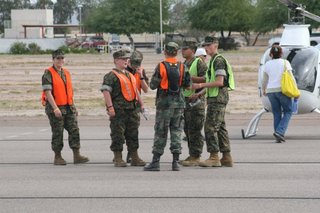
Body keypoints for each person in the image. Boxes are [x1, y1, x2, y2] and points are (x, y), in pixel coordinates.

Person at [144, 42, 191, 171]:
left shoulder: (161, 66)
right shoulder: (183, 66)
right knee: (176, 132)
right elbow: (188, 85)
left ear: (165, 51)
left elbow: (153, 85)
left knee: (160, 132)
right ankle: (175, 162)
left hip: (164, 105)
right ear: (176, 52)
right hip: (179, 104)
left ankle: (156, 161)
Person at [192, 36, 235, 167]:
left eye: (209, 45)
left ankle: (214, 156)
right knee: (220, 128)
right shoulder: (213, 61)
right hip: (216, 97)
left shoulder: (218, 61)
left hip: (218, 99)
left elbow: (219, 82)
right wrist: (200, 94)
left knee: (210, 127)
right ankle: (226, 157)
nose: (206, 48)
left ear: (216, 45)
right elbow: (212, 80)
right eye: (205, 45)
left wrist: (200, 86)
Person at [41, 49, 89, 165]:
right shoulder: (48, 73)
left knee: (74, 130)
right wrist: (55, 108)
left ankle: (76, 155)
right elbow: (47, 92)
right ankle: (58, 157)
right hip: (56, 107)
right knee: (58, 132)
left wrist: (74, 107)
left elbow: (69, 92)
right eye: (58, 58)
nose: (61, 60)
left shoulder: (66, 73)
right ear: (53, 59)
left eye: (62, 58)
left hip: (68, 107)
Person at [101, 50, 146, 167]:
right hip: (119, 111)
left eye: (127, 59)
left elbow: (136, 90)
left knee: (133, 134)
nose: (126, 61)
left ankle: (134, 157)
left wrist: (141, 104)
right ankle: (118, 157)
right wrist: (110, 107)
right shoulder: (111, 75)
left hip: (132, 110)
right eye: (123, 59)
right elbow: (106, 91)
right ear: (116, 60)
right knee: (118, 134)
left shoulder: (129, 75)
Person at [180, 40, 207, 167]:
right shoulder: (185, 63)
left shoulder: (199, 62)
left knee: (195, 129)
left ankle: (196, 156)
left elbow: (207, 79)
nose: (182, 51)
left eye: (185, 48)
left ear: (192, 50)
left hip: (196, 102)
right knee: (188, 129)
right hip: (186, 101)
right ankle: (192, 154)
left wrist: (189, 78)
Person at [262, 45, 297, 143]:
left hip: (271, 92)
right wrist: (296, 91)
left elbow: (264, 79)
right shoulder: (285, 63)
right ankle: (280, 132)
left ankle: (277, 134)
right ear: (281, 54)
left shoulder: (267, 64)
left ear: (271, 54)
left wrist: (264, 90)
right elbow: (291, 78)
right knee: (288, 111)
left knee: (276, 113)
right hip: (283, 91)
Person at [124, 50, 149, 163]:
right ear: (129, 61)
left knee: (133, 131)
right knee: (122, 131)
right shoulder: (123, 71)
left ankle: (131, 154)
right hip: (123, 104)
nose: (136, 66)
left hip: (135, 105)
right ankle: (118, 154)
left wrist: (141, 76)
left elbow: (145, 89)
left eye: (138, 63)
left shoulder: (141, 71)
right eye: (134, 63)